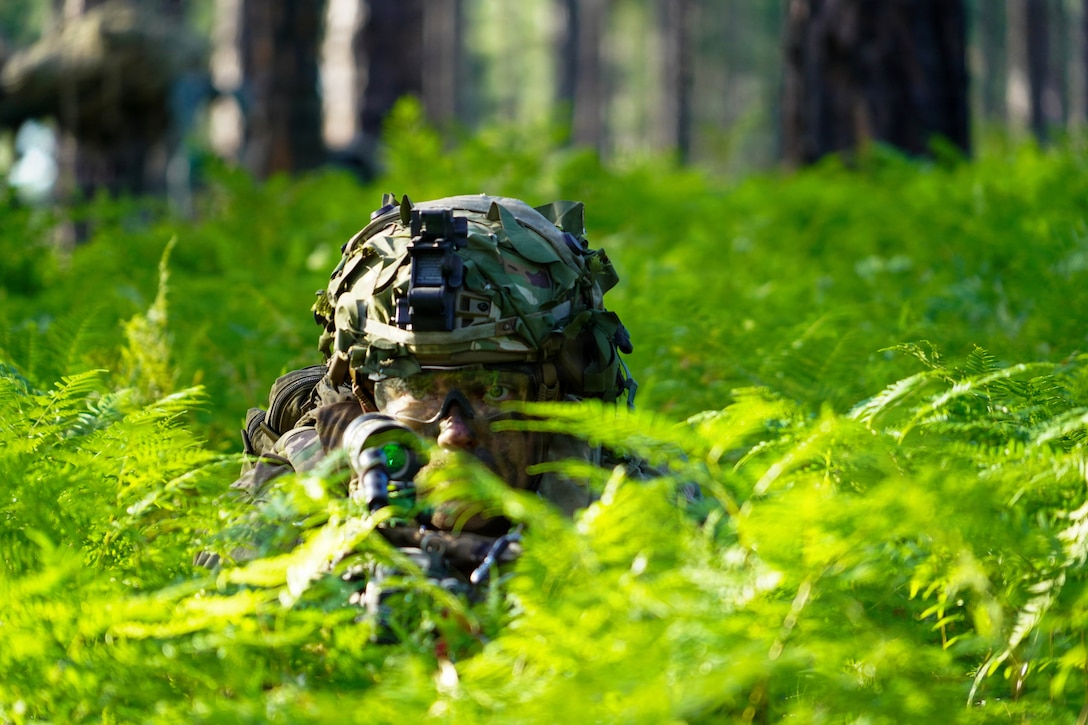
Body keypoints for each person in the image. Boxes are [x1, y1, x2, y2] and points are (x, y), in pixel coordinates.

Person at [231, 193, 636, 591]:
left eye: (494, 391)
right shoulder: (295, 499)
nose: (454, 434)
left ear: (555, 398)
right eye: (418, 388)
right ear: (365, 397)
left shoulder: (628, 508)